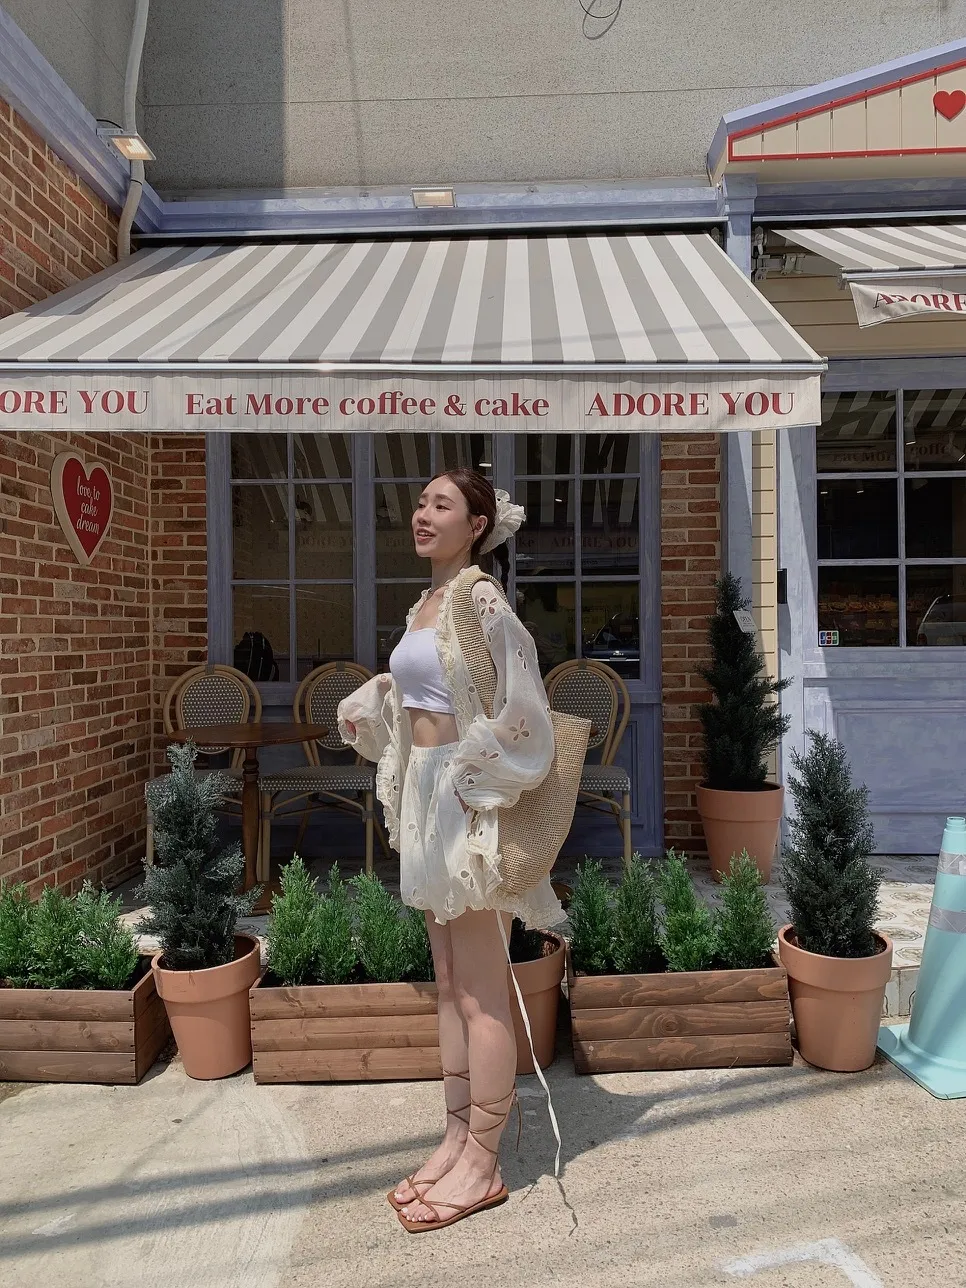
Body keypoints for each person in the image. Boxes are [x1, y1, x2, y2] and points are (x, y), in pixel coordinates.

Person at [337, 469, 564, 1233]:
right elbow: (430, 692)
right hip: (427, 793)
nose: (423, 513)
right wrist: (380, 697)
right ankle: (457, 1136)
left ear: (477, 526)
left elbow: (523, 700)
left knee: (480, 990)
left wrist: (480, 777)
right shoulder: (426, 604)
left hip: (467, 798)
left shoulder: (478, 596)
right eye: (421, 502)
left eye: (443, 504)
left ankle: (485, 1162)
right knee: (446, 984)